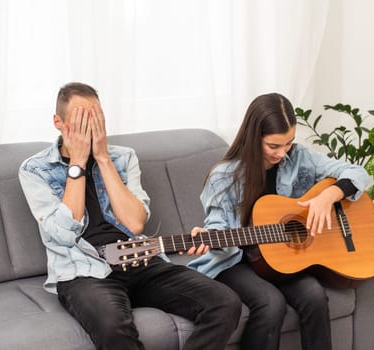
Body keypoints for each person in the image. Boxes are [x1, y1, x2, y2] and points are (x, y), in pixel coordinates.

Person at [18, 82, 241, 350]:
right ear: (58, 122)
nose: (90, 127)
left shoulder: (123, 158)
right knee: (113, 328)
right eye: (80, 119)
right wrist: (77, 163)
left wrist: (102, 159)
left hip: (139, 258)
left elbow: (135, 223)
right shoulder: (35, 170)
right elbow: (64, 233)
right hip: (83, 271)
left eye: (96, 118)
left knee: (224, 303)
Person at [186, 93, 371, 350]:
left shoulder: (299, 157)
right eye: (274, 146)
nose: (283, 153)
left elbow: (357, 173)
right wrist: (209, 237)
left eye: (289, 143)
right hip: (237, 260)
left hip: (283, 259)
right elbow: (219, 225)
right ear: (254, 137)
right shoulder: (224, 175)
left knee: (315, 296)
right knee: (271, 304)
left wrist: (329, 195)